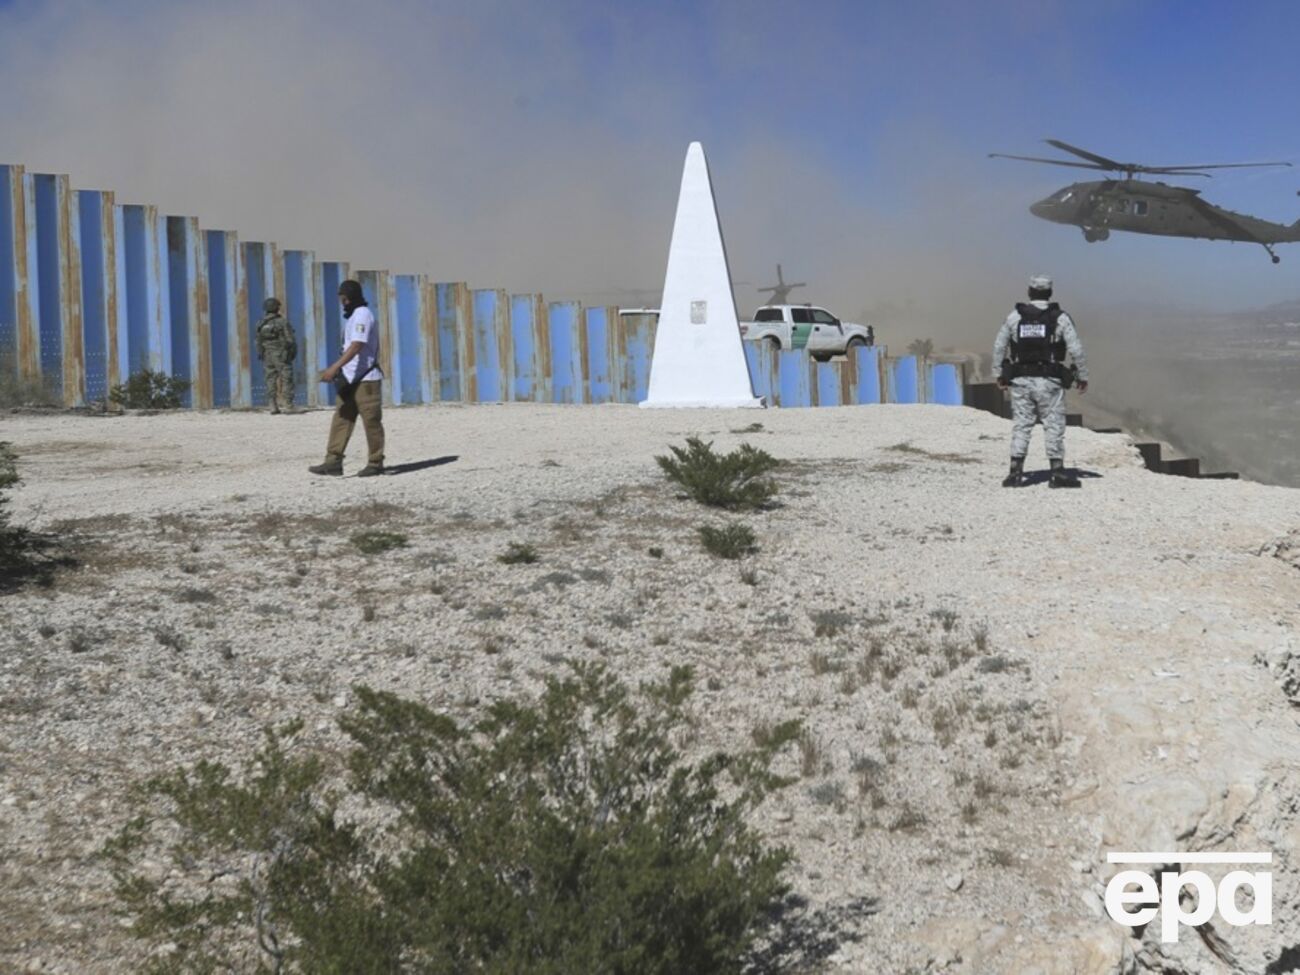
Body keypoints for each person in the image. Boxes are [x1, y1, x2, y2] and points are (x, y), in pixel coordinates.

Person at [993, 274, 1089, 488]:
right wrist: (1082, 376)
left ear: (1029, 292)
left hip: (1021, 381)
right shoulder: (1060, 318)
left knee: (1021, 425)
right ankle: (1057, 473)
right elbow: (1076, 349)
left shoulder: (1014, 317)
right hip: (1049, 381)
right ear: (1049, 293)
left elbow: (999, 346)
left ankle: (1015, 473)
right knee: (1053, 424)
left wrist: (998, 374)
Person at [310, 280, 386, 477]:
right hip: (349, 377)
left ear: (348, 297)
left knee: (371, 421)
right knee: (342, 418)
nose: (342, 303)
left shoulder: (362, 315)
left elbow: (357, 345)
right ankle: (333, 461)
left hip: (366, 379)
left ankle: (375, 462)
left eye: (343, 298)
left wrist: (335, 367)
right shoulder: (353, 317)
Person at [254, 297, 297, 414]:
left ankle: (272, 405)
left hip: (267, 354)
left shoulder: (260, 323)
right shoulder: (282, 322)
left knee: (270, 379)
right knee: (286, 378)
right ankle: (288, 405)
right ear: (276, 308)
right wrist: (292, 352)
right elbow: (290, 340)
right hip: (281, 354)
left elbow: (257, 341)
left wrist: (260, 352)